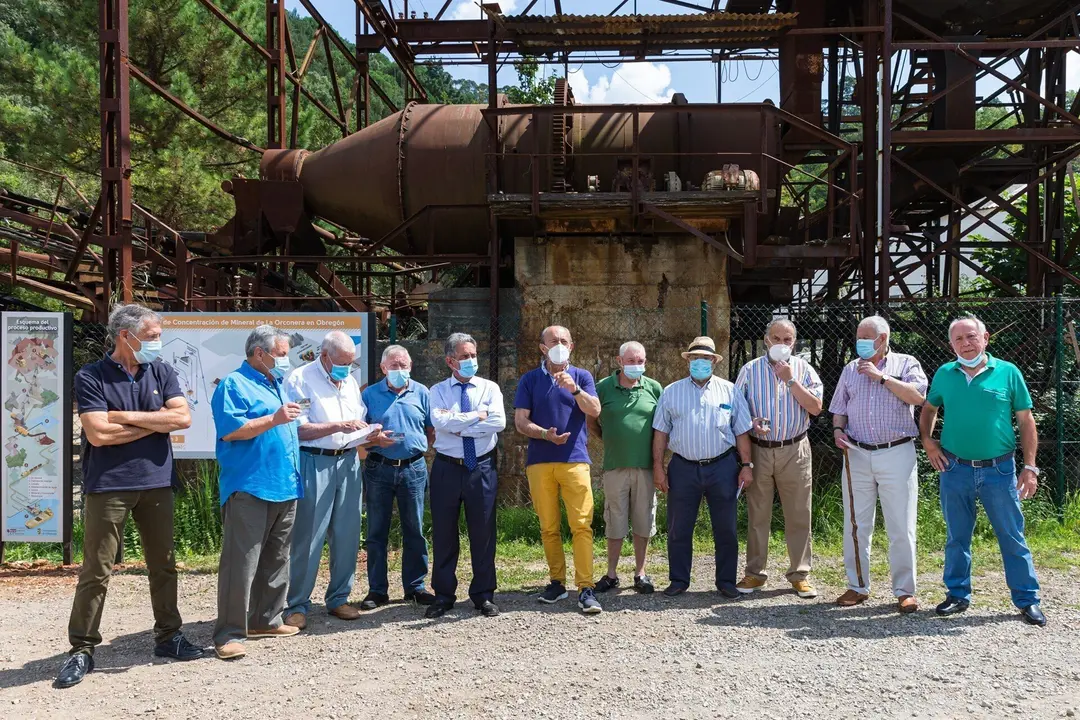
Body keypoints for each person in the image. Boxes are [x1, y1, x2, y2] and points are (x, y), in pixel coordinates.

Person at [56, 304, 201, 688]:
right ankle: (82, 649)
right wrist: (153, 425)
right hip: (108, 484)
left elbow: (183, 419)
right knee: (96, 570)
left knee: (164, 564)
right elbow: (97, 435)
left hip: (156, 481)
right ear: (126, 335)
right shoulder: (91, 376)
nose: (158, 342)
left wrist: (121, 415)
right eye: (152, 336)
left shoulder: (162, 371)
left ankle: (168, 637)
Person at [920, 316, 1046, 626]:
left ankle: (1027, 599)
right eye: (959, 339)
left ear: (985, 338)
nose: (966, 343)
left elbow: (1026, 420)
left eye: (971, 336)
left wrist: (1030, 467)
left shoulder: (1008, 372)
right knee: (957, 536)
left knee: (1012, 536)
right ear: (952, 345)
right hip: (955, 468)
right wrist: (928, 442)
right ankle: (957, 595)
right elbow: (928, 408)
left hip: (999, 470)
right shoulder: (945, 374)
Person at [210, 325, 303, 660]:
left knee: (277, 559)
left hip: (285, 484)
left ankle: (266, 619)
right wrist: (274, 419)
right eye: (280, 354)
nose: (285, 360)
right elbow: (232, 431)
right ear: (259, 353)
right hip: (250, 486)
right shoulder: (234, 384)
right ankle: (230, 633)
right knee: (242, 563)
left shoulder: (276, 383)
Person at [830, 315, 927, 613]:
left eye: (866, 337)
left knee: (901, 524)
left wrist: (881, 377)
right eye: (858, 336)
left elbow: (918, 397)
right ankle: (858, 586)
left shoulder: (906, 363)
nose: (859, 342)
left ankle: (905, 591)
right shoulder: (849, 369)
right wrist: (837, 430)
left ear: (883, 339)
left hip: (897, 451)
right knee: (856, 523)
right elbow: (839, 409)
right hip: (857, 452)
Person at [283, 331, 379, 630]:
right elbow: (298, 429)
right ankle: (296, 604)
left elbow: (357, 421)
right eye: (342, 363)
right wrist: (338, 425)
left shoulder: (349, 382)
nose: (347, 370)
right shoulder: (299, 379)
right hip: (315, 461)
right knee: (309, 535)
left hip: (348, 461)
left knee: (348, 533)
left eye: (350, 364)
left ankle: (338, 598)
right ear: (324, 356)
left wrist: (371, 435)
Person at [652, 336, 753, 598]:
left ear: (713, 362)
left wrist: (747, 465)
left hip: (723, 467)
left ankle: (726, 582)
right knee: (678, 527)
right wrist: (659, 467)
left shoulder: (730, 391)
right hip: (683, 468)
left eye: (705, 358)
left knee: (727, 528)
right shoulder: (671, 392)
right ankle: (678, 580)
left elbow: (741, 432)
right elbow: (661, 433)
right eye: (696, 358)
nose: (700, 362)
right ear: (689, 361)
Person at [513, 325, 603, 614]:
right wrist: (543, 434)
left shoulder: (582, 376)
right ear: (542, 347)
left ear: (572, 346)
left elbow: (595, 410)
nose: (560, 345)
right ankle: (557, 582)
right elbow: (520, 421)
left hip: (575, 460)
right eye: (554, 341)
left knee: (581, 525)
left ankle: (586, 587)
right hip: (540, 462)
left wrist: (573, 389)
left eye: (565, 340)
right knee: (549, 527)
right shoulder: (529, 380)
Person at [734, 319, 823, 599]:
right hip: (759, 449)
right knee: (758, 515)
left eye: (787, 339)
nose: (781, 344)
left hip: (795, 449)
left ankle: (800, 574)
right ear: (766, 340)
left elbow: (816, 407)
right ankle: (754, 574)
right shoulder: (749, 370)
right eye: (776, 338)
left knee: (798, 513)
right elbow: (735, 412)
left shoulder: (804, 369)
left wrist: (790, 380)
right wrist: (751, 423)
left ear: (794, 342)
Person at [426, 333, 506, 619]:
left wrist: (459, 425)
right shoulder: (437, 391)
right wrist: (477, 417)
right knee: (444, 533)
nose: (471, 361)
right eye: (464, 357)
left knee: (483, 532)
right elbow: (439, 421)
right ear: (450, 361)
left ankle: (483, 595)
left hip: (481, 467)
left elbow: (499, 422)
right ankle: (444, 595)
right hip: (447, 466)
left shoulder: (490, 388)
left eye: (473, 355)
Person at [360, 345, 435, 609]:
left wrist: (416, 450)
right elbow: (359, 434)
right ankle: (377, 590)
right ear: (383, 368)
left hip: (413, 469)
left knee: (414, 529)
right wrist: (374, 439)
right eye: (394, 365)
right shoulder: (369, 394)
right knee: (376, 531)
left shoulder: (422, 392)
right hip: (378, 467)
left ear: (411, 366)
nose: (400, 370)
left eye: (404, 365)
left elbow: (431, 430)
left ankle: (415, 588)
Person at [587, 340, 663, 594]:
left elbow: (662, 428)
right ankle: (611, 574)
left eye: (640, 361)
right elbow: (593, 422)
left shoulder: (654, 388)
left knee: (643, 520)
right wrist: (613, 438)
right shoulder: (603, 388)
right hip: (615, 465)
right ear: (619, 362)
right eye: (630, 361)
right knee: (614, 521)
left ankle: (640, 572)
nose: (635, 365)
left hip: (646, 467)